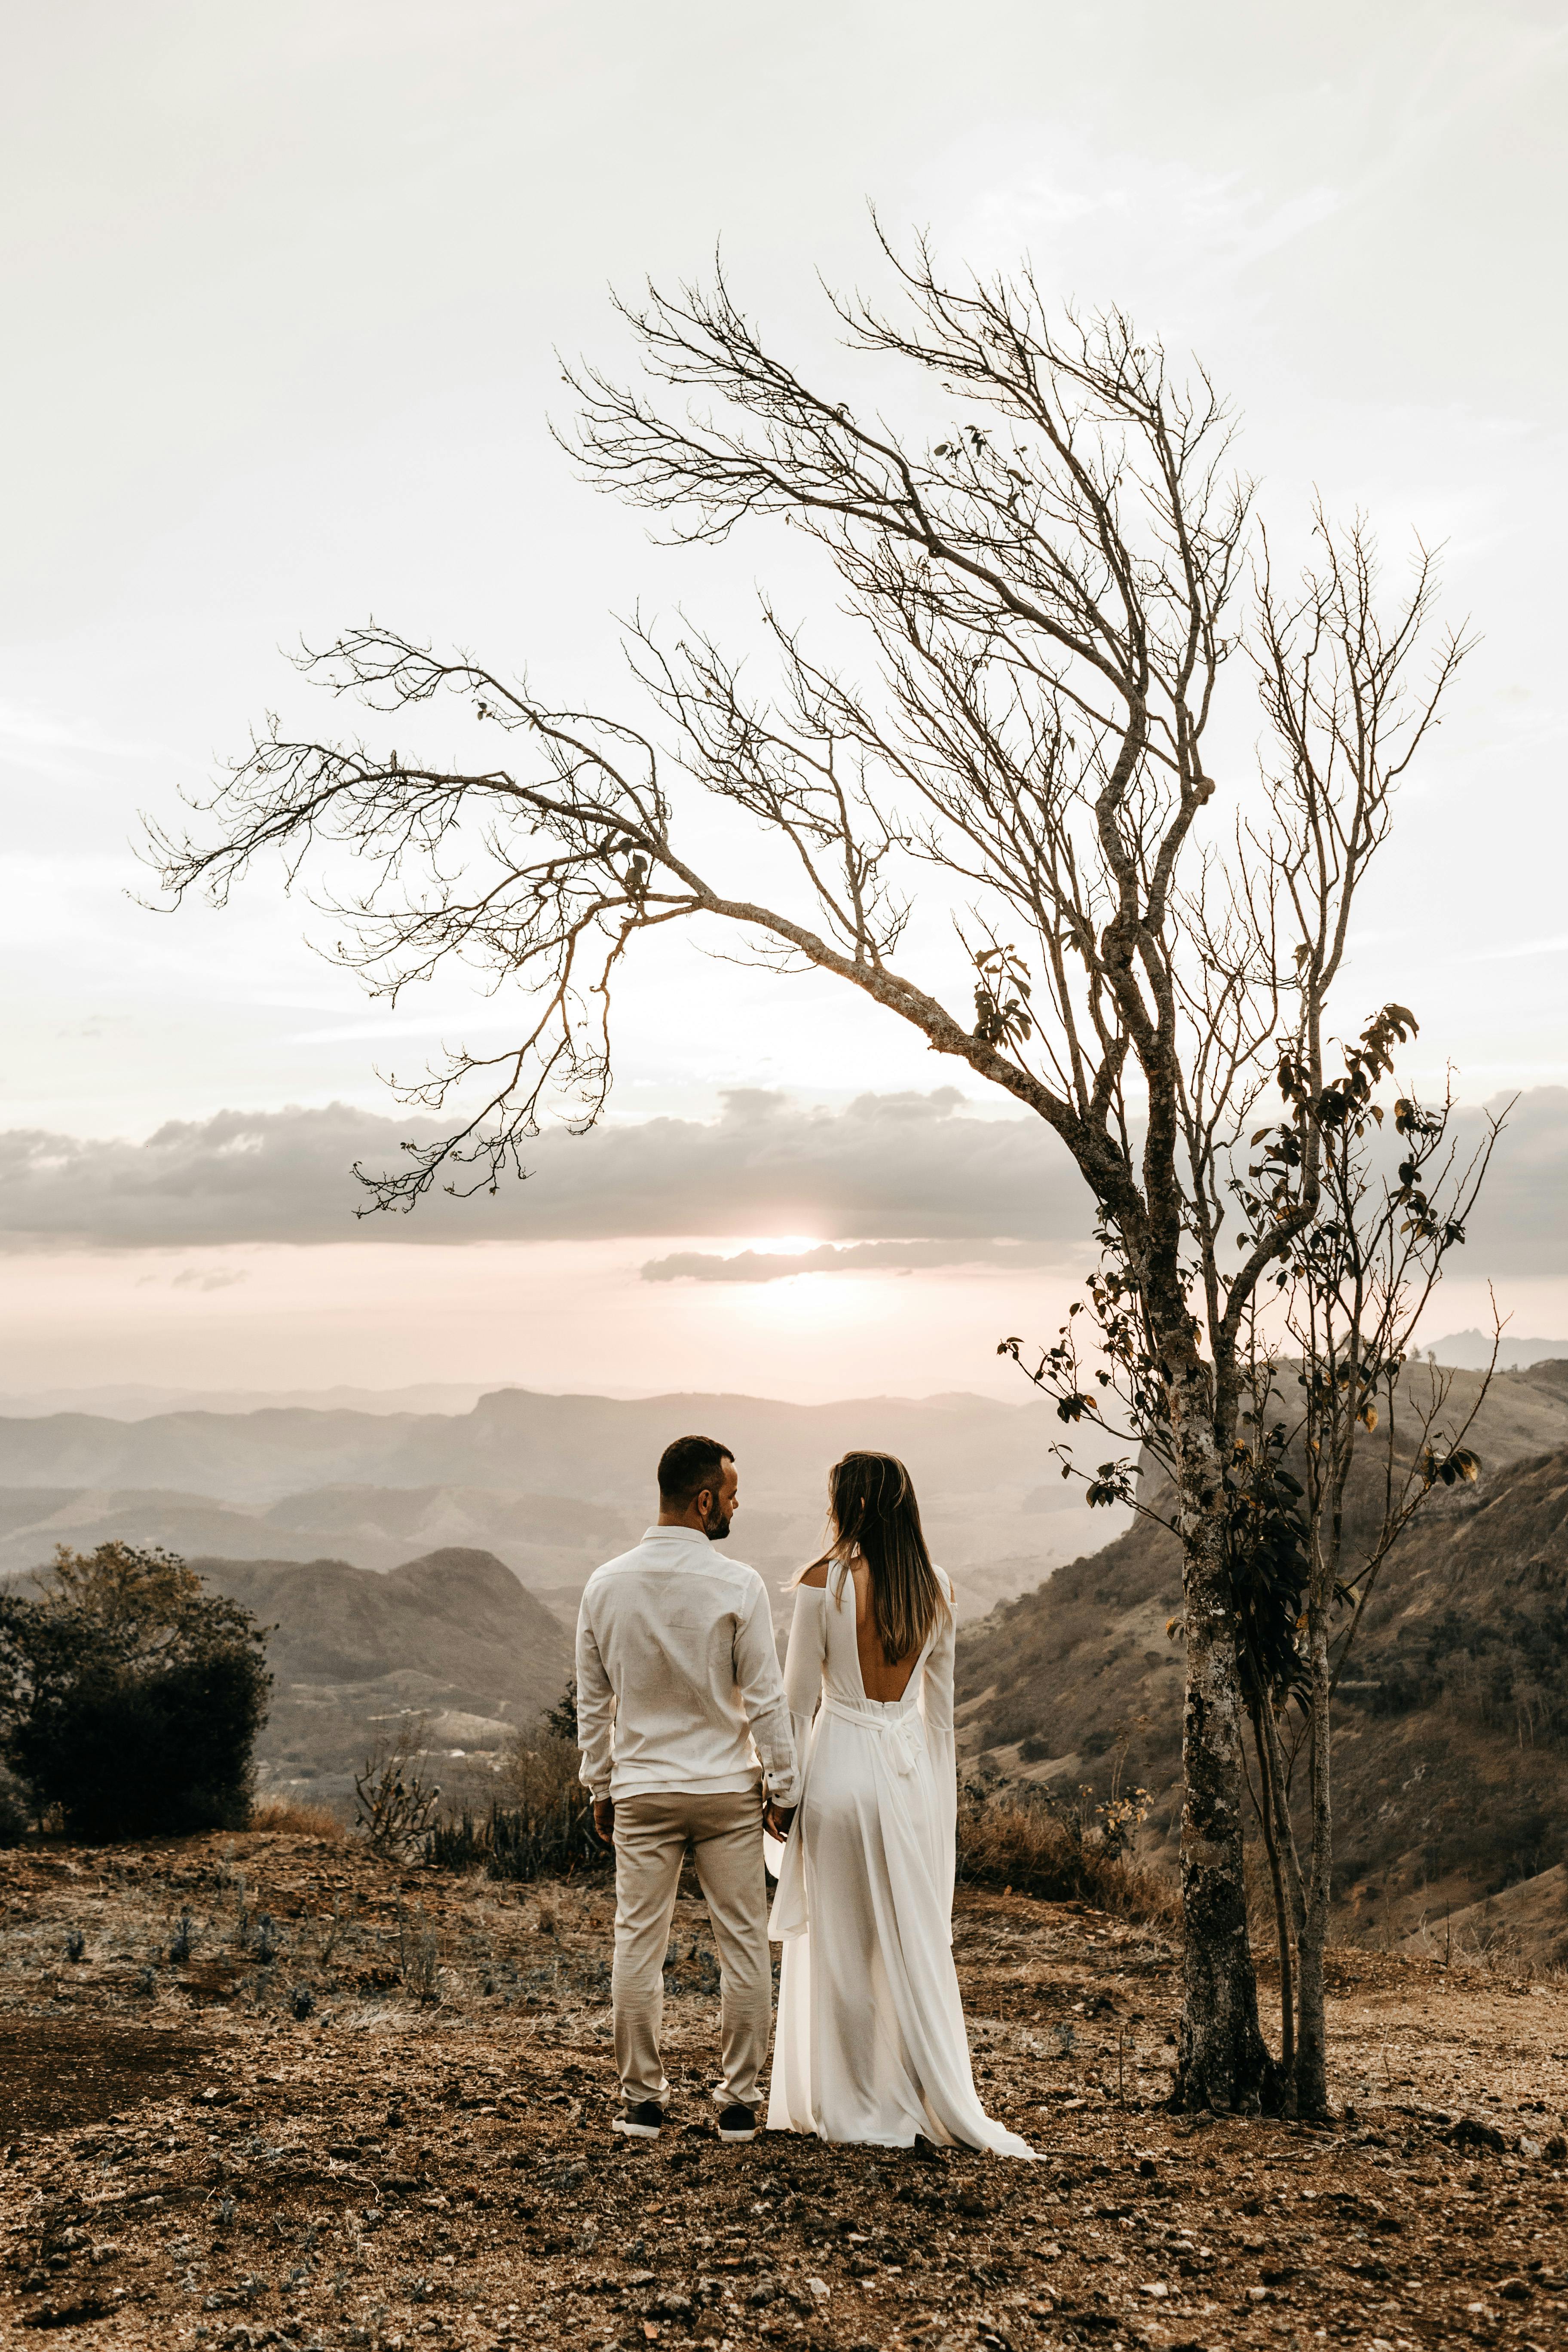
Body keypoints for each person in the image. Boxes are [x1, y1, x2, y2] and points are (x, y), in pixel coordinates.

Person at [765, 1449, 1035, 2156]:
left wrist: (782, 1795)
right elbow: (942, 1720)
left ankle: (852, 2106)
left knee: (843, 1952)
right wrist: (937, 1813)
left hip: (838, 1776)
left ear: (846, 1505)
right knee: (909, 1952)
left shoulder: (822, 1584)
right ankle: (919, 2095)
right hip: (909, 1778)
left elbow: (795, 1706)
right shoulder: (938, 1588)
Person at [576, 1433, 799, 2143]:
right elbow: (765, 1699)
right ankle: (737, 2103)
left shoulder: (604, 1584)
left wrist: (599, 1786)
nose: (737, 1506)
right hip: (727, 1791)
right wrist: (784, 1786)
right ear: (704, 1501)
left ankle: (641, 2102)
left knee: (637, 1944)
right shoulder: (739, 1585)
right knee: (742, 1944)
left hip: (643, 1790)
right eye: (732, 1496)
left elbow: (593, 1702)